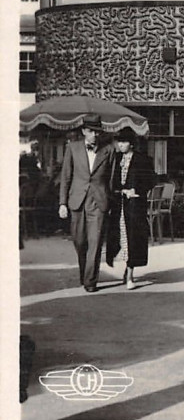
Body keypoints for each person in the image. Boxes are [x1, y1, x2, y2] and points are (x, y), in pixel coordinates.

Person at [58, 114, 114, 293]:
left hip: (98, 202)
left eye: (98, 132)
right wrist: (62, 203)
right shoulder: (72, 148)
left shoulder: (109, 150)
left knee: (95, 242)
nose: (95, 135)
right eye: (91, 132)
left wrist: (109, 202)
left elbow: (111, 179)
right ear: (84, 131)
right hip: (77, 201)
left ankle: (90, 281)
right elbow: (65, 178)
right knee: (80, 241)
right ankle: (85, 273)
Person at [105, 127, 156, 289]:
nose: (120, 145)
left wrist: (138, 190)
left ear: (131, 143)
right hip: (118, 205)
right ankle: (126, 270)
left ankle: (130, 274)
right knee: (120, 237)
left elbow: (151, 180)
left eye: (124, 141)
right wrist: (117, 192)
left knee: (132, 238)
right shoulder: (115, 159)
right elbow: (109, 180)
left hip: (134, 206)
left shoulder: (142, 160)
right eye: (119, 141)